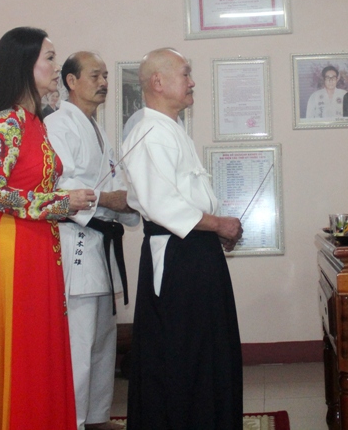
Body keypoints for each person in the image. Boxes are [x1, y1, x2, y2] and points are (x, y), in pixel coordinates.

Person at [0, 27, 96, 430]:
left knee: (41, 344)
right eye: (50, 58)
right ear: (24, 64)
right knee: (19, 348)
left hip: (39, 242)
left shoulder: (35, 121)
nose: (57, 67)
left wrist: (61, 201)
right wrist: (61, 203)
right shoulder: (7, 121)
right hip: (13, 246)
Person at [123, 48, 243, 430]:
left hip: (196, 250)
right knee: (183, 352)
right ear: (158, 82)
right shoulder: (149, 132)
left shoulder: (171, 129)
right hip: (177, 256)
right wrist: (217, 224)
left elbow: (189, 196)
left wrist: (216, 228)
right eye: (185, 74)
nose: (192, 83)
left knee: (209, 348)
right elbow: (163, 205)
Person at [46, 52, 140, 430]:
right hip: (75, 239)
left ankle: (97, 416)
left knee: (102, 337)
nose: (103, 82)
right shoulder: (57, 124)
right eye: (95, 75)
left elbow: (115, 181)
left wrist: (128, 203)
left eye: (105, 76)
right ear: (71, 81)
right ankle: (73, 421)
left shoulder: (96, 129)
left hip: (101, 241)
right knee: (78, 341)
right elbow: (59, 183)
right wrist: (107, 200)